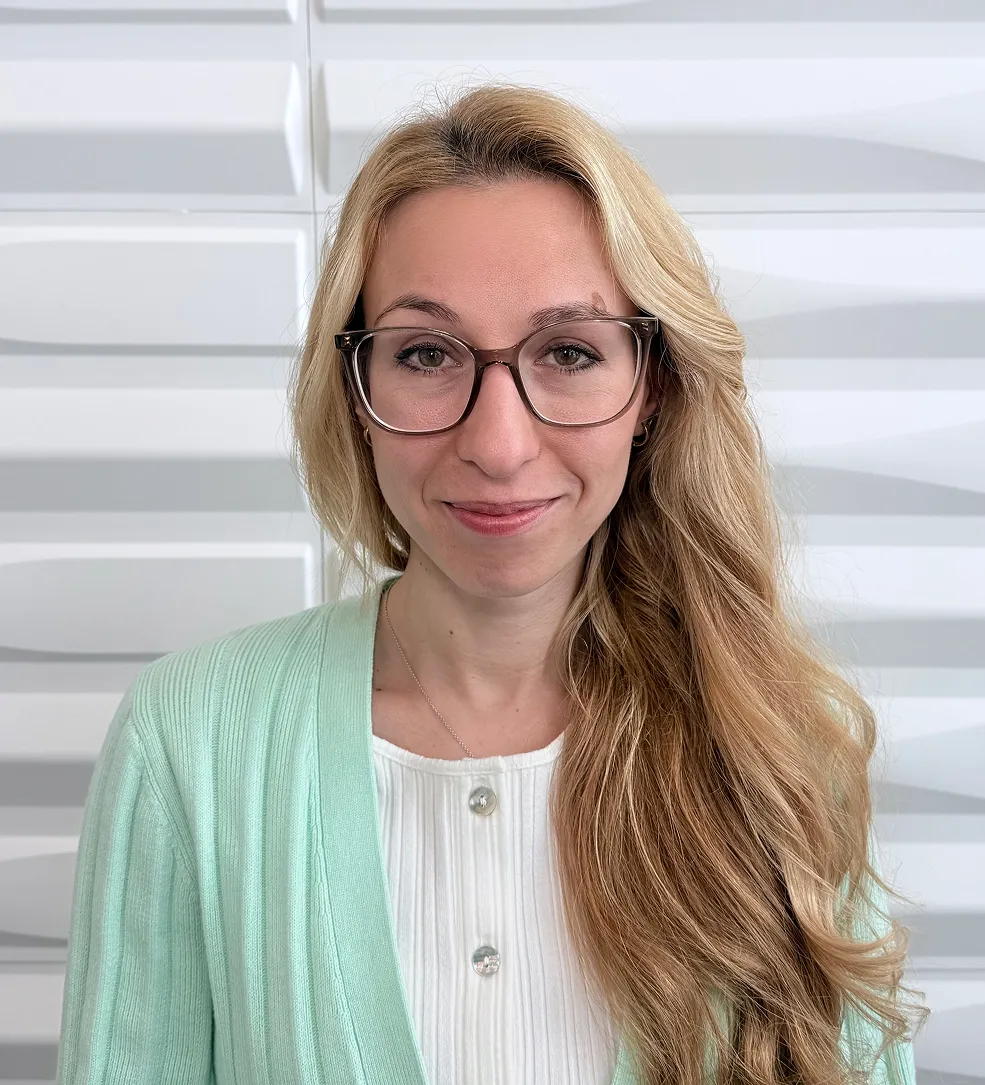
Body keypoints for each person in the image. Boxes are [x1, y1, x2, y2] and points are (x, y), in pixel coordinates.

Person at [56, 81, 928, 1085]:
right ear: (354, 388)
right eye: (426, 353)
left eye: (568, 351)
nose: (498, 443)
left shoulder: (779, 743)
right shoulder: (190, 742)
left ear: (650, 385)